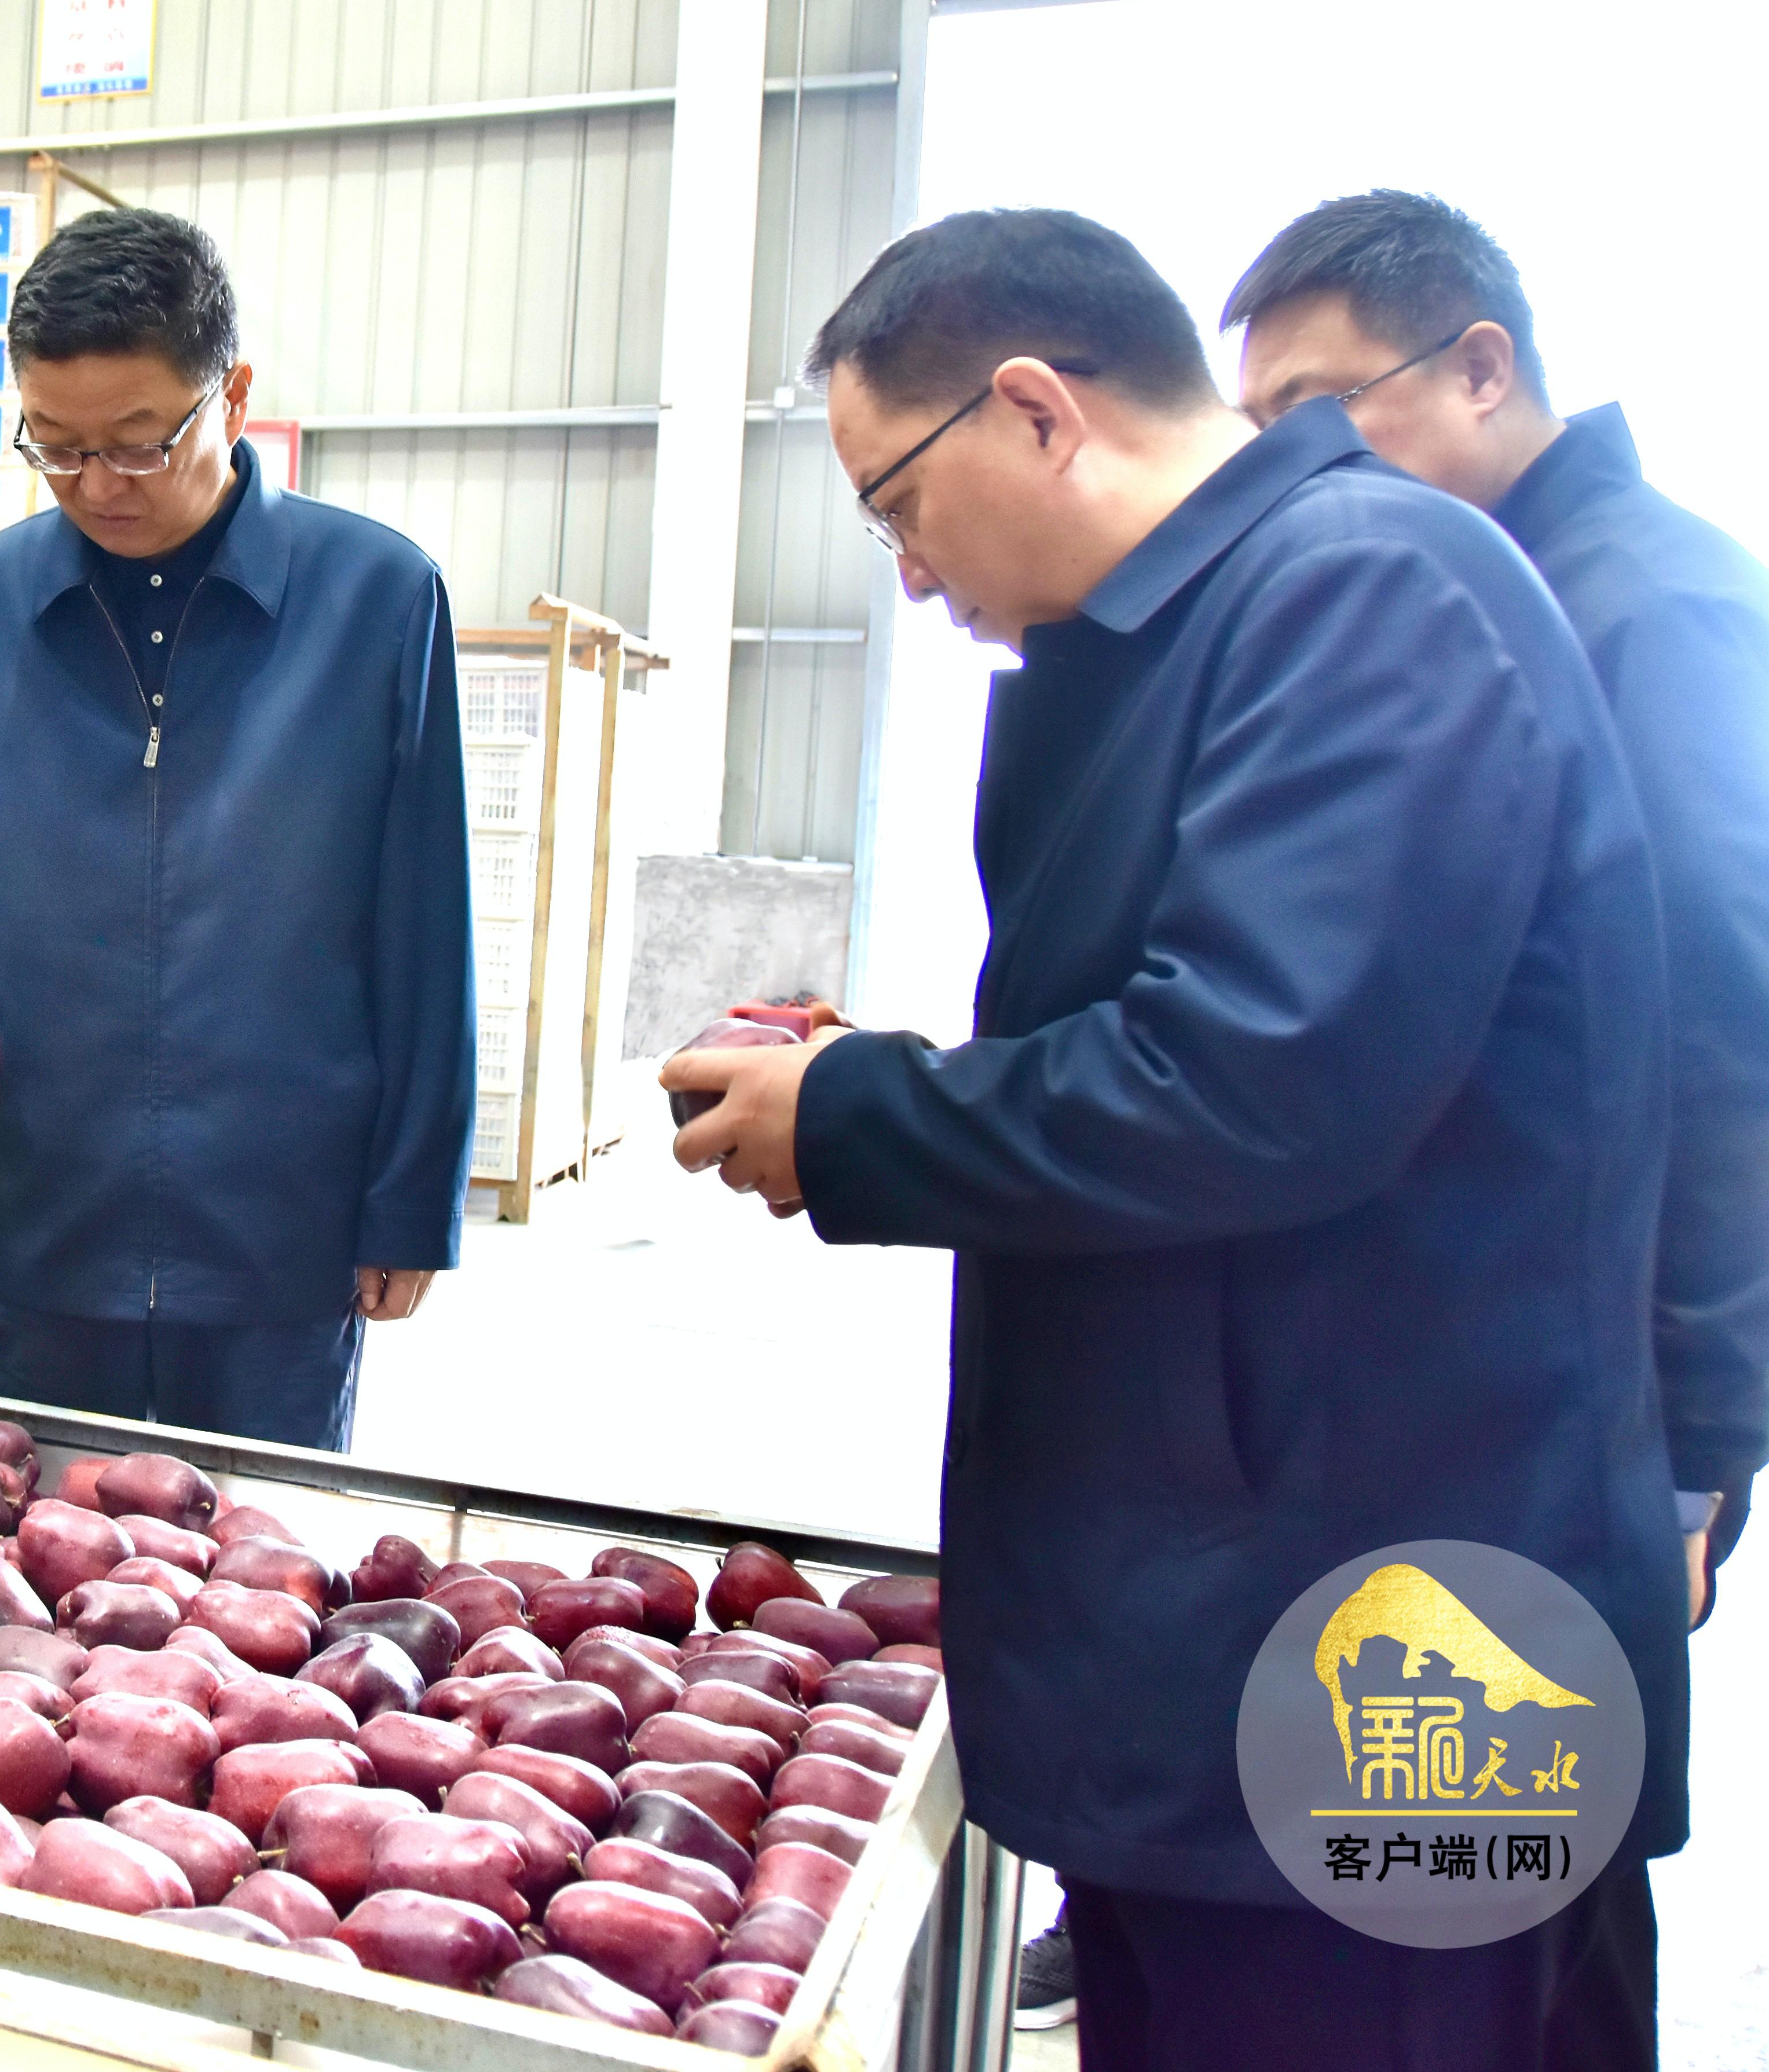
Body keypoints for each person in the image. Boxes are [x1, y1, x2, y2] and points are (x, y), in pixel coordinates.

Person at [663, 210, 1688, 2067]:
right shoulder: (1216, 625)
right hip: (1230, 1608)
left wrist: (865, 1119)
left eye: (898, 503)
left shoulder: (1372, 596)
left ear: (1036, 410)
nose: (910, 572)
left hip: (1386, 1643)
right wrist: (887, 1073)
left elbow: (1254, 1081)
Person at [0, 207, 472, 1451]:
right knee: (42, 1548)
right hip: (48, 1216)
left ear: (231, 394)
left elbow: (424, 923)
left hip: (282, 1234)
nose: (95, 485)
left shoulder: (378, 601)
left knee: (256, 1549)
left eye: (138, 443)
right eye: (55, 445)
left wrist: (411, 1197)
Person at [1224, 190, 1769, 1629]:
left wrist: (1696, 1448)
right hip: (1444, 1374)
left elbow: (1724, 1037)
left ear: (1481, 368)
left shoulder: (1649, 608)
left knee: (1499, 1759)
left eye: (1320, 408)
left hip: (1576, 1410)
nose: (1287, 468)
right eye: (1257, 429)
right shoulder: (1467, 595)